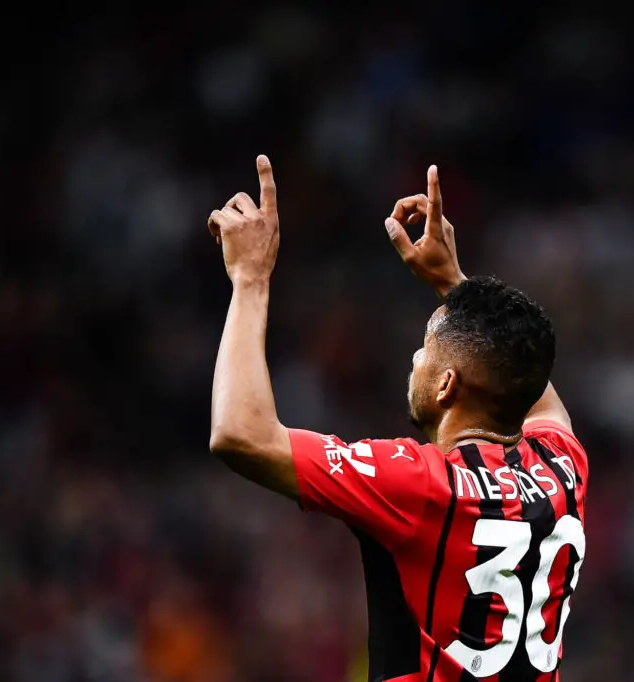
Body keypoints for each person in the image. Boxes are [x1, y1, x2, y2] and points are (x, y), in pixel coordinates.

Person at [206, 156, 587, 681]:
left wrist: (250, 280)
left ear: (447, 385)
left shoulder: (421, 483)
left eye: (427, 347)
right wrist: (454, 284)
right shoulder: (563, 467)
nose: (415, 356)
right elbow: (530, 388)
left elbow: (239, 435)